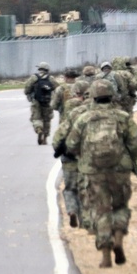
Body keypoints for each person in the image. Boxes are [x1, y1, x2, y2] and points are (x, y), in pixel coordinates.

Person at [65, 80, 137, 268]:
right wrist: (130, 159)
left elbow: (71, 144)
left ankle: (106, 254)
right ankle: (118, 238)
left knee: (100, 210)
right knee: (120, 206)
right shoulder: (122, 117)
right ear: (111, 95)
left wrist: (83, 155)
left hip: (93, 172)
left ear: (92, 96)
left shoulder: (84, 119)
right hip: (119, 170)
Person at [52, 80, 90, 229]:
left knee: (70, 188)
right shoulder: (95, 113)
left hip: (69, 157)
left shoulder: (72, 113)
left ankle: (72, 210)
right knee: (85, 189)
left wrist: (59, 150)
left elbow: (58, 138)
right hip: (88, 159)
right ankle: (85, 220)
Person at [23, 62, 59, 144]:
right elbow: (58, 89)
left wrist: (30, 94)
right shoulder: (51, 78)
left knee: (36, 118)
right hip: (48, 102)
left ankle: (39, 129)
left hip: (36, 101)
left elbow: (26, 89)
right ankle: (45, 138)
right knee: (47, 120)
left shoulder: (34, 77)